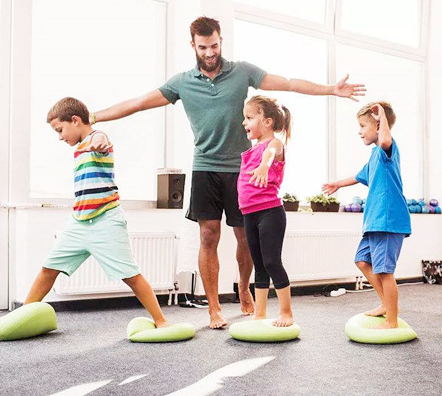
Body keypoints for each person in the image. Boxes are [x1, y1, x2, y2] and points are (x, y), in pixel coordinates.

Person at [91, 16, 365, 329]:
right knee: (208, 235)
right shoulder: (182, 82)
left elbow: (288, 83)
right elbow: (139, 103)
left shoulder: (242, 72)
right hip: (205, 168)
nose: (210, 52)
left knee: (246, 239)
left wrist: (330, 89)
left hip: (243, 170)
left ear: (221, 42)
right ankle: (213, 308)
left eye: (215, 45)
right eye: (203, 46)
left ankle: (245, 288)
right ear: (193, 45)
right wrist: (94, 116)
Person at [24, 97, 169, 329]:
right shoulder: (80, 147)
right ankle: (23, 316)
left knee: (130, 275)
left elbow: (101, 138)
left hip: (106, 219)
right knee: (48, 269)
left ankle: (161, 321)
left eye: (60, 130)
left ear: (75, 120)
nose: (60, 137)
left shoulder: (96, 139)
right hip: (78, 222)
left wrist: (99, 141)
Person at [322, 102, 411, 329]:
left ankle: (392, 319)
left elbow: (385, 140)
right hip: (374, 222)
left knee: (385, 271)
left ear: (380, 126)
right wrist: (337, 184)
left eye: (363, 126)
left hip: (388, 221)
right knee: (362, 261)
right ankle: (385, 303)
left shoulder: (386, 150)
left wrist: (381, 116)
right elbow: (359, 176)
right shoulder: (374, 156)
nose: (359, 130)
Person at [237, 95, 293, 327]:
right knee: (259, 265)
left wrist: (264, 165)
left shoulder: (274, 144)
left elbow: (271, 153)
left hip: (270, 212)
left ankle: (287, 313)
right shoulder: (253, 149)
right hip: (249, 213)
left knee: (272, 262)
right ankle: (260, 313)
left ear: (267, 122)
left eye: (249, 118)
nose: (244, 122)